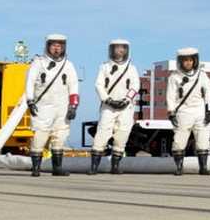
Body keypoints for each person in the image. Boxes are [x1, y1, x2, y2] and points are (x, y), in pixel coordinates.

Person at [24, 34, 80, 177]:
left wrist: (73, 105)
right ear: (48, 46)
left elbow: (73, 85)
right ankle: (36, 168)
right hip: (43, 105)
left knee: (60, 136)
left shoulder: (68, 65)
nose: (57, 48)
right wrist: (30, 100)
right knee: (40, 136)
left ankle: (57, 168)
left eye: (60, 46)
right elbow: (29, 82)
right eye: (54, 45)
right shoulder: (38, 63)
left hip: (62, 106)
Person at [91, 39, 139, 175]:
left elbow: (135, 85)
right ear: (111, 50)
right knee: (102, 133)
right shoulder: (104, 67)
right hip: (108, 106)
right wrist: (107, 99)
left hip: (126, 108)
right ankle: (94, 167)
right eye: (116, 48)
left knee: (122, 135)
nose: (119, 50)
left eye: (122, 48)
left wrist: (127, 100)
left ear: (126, 50)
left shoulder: (132, 68)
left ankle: (115, 167)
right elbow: (98, 85)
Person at [165, 47, 210, 176]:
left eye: (190, 60)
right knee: (179, 140)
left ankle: (203, 167)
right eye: (185, 60)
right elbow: (170, 96)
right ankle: (179, 167)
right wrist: (171, 113)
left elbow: (209, 93)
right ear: (180, 61)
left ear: (195, 61)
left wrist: (209, 111)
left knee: (203, 140)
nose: (188, 63)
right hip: (183, 111)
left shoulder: (202, 75)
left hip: (199, 111)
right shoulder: (174, 76)